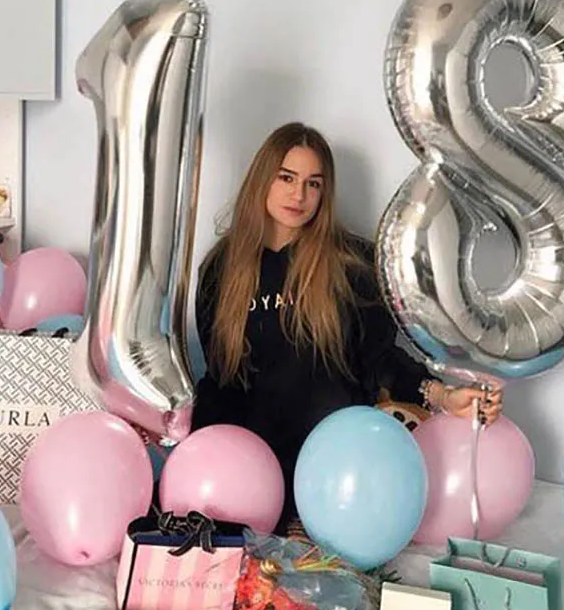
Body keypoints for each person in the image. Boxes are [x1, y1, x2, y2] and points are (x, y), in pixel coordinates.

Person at [192, 122, 502, 533]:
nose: (299, 195)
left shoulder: (351, 263)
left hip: (335, 476)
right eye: (286, 178)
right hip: (246, 475)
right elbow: (220, 378)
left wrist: (442, 395)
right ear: (262, 179)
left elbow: (379, 359)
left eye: (313, 184)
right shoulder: (220, 269)